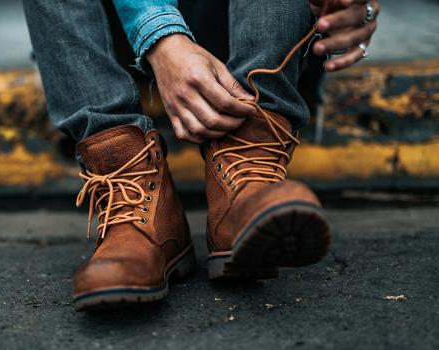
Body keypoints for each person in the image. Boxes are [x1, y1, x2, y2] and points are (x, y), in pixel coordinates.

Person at [22, 0, 379, 311]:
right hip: (116, 35)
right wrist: (160, 36)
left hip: (262, 30)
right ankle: (131, 188)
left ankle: (246, 172)